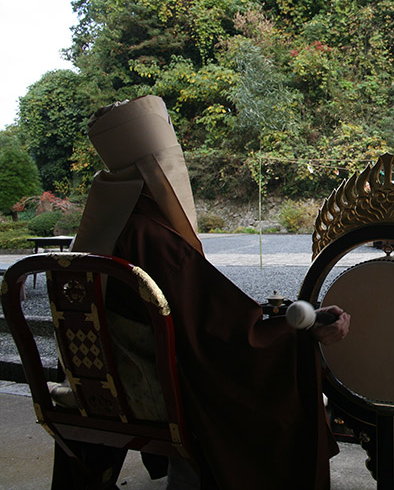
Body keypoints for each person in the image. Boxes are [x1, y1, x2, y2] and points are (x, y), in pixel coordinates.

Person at [68, 95, 350, 489]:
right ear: (158, 172)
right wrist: (300, 331)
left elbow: (201, 315)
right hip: (164, 383)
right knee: (279, 380)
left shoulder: (105, 227)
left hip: (106, 377)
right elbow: (221, 339)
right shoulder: (152, 236)